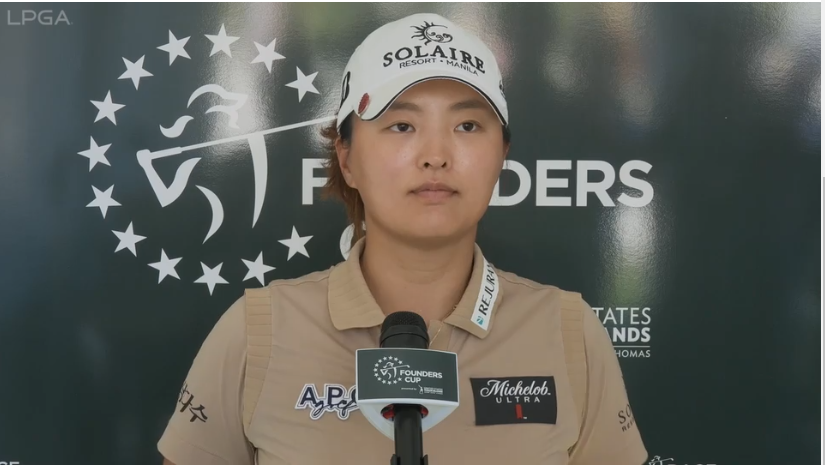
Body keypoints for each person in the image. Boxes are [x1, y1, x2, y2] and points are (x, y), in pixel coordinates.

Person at [157, 12, 648, 465]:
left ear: (502, 155)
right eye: (402, 125)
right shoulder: (255, 332)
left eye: (467, 125)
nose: (435, 155)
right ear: (347, 159)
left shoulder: (569, 332)